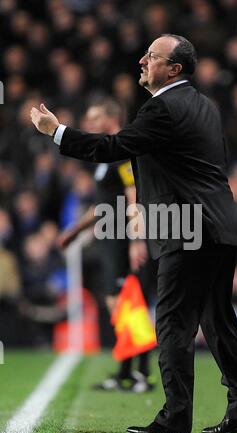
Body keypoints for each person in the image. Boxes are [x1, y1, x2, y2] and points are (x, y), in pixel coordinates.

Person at [31, 33, 237, 433]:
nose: (141, 60)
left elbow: (114, 147)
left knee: (173, 323)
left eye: (152, 56)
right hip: (219, 224)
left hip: (187, 226)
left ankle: (176, 416)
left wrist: (57, 132)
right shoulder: (204, 105)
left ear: (173, 69)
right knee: (218, 320)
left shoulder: (163, 108)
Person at [57, 98, 155, 392]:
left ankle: (142, 373)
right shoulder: (105, 158)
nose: (89, 123)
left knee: (129, 306)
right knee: (119, 307)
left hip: (122, 238)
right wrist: (75, 230)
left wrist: (136, 239)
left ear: (112, 118)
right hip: (109, 240)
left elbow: (133, 195)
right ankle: (125, 372)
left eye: (95, 116)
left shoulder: (123, 153)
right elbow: (103, 205)